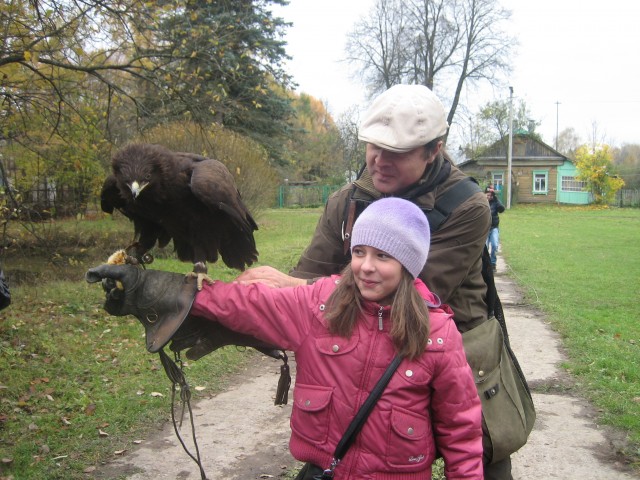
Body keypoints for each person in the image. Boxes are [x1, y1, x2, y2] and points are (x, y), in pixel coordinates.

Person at [236, 84, 521, 479]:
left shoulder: (468, 207)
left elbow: (411, 293)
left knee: (480, 458)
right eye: (374, 146)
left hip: (455, 352)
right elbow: (308, 276)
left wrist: (296, 289)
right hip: (365, 355)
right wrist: (240, 300)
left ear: (433, 150)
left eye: (397, 152)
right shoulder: (347, 200)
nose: (380, 161)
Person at [87, 197, 484, 479]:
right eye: (359, 251)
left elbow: (461, 430)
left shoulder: (436, 333)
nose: (365, 267)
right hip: (323, 471)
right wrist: (159, 287)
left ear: (409, 263)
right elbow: (246, 303)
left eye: (383, 256)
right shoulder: (321, 303)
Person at [485, 187, 505, 272]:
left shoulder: (495, 202)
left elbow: (502, 209)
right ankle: (485, 265)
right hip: (485, 229)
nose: (489, 197)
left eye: (490, 195)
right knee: (484, 248)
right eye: (487, 195)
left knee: (494, 245)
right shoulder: (482, 202)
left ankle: (493, 263)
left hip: (494, 228)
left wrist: (496, 199)